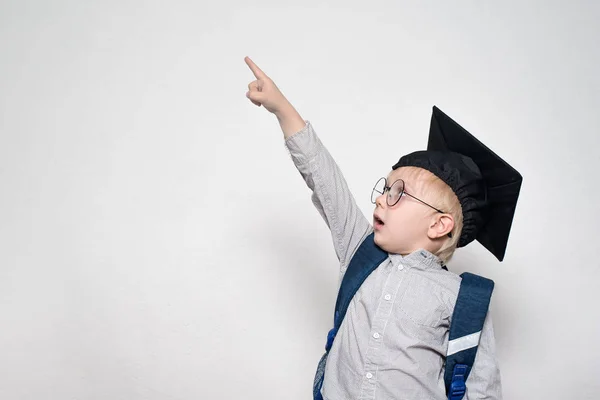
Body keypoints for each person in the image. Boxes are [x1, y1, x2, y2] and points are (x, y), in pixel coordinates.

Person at [244, 56, 521, 400]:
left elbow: (482, 389)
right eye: (384, 189)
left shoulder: (461, 298)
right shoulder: (361, 253)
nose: (380, 200)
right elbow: (325, 182)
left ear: (439, 224)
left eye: (398, 194)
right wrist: (281, 108)